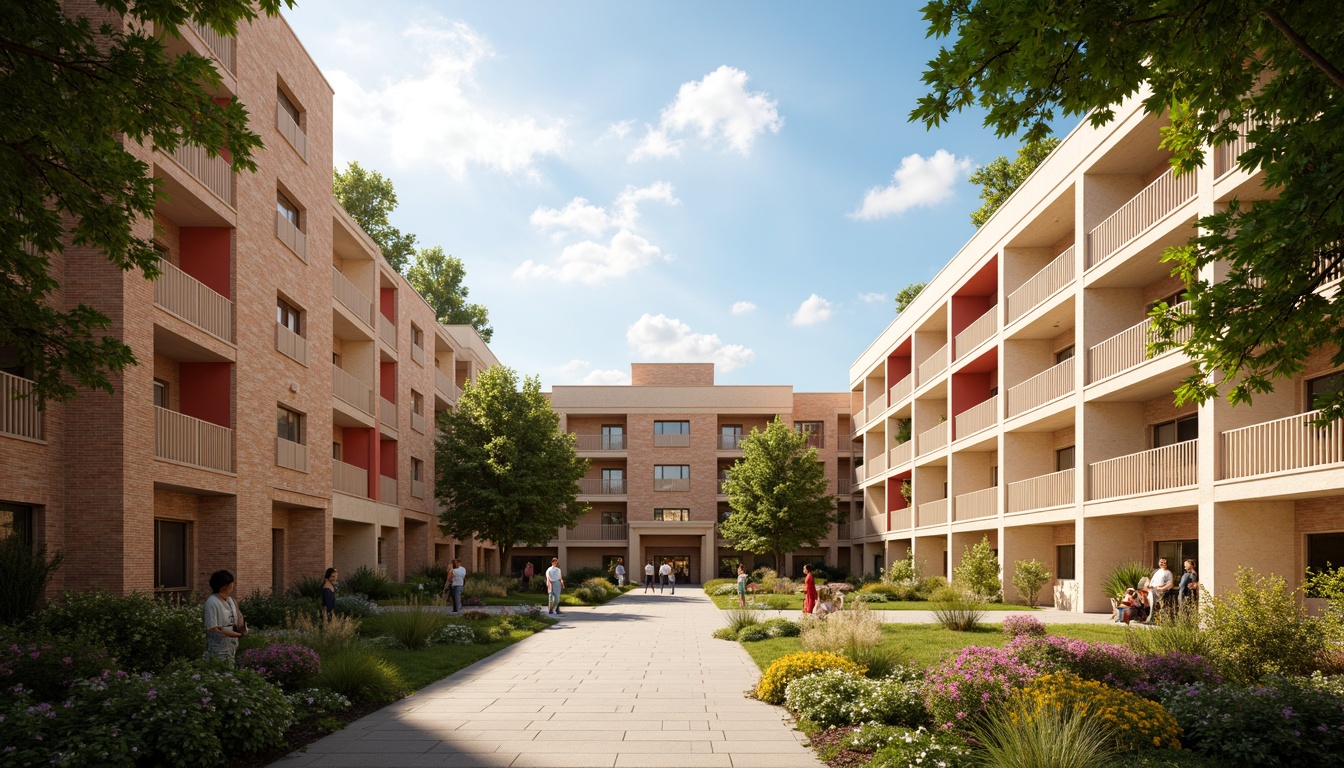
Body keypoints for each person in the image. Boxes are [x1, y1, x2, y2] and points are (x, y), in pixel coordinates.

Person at [203, 569, 246, 665]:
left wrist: (243, 629)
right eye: (231, 584)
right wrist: (236, 634)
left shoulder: (231, 600)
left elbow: (239, 617)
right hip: (219, 649)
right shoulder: (212, 603)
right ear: (224, 587)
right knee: (220, 672)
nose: (233, 586)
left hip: (232, 647)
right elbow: (212, 627)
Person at [1147, 558, 1174, 622]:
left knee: (1161, 607)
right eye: (1160, 562)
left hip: (1161, 593)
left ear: (1167, 564)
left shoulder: (1168, 573)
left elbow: (1170, 584)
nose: (1161, 564)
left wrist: (1162, 588)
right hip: (1153, 590)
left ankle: (1162, 621)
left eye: (1163, 562)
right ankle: (1151, 619)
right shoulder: (1157, 571)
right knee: (1152, 606)